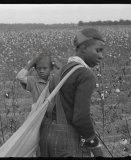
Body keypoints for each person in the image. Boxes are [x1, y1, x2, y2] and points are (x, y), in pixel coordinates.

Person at [39, 28, 105, 157]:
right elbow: (81, 118)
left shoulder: (62, 71)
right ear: (84, 48)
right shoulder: (85, 74)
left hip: (47, 138)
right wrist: (96, 147)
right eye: (98, 50)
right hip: (67, 144)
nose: (101, 56)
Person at [15, 53, 61, 157]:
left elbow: (68, 78)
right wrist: (32, 63)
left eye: (45, 68)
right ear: (35, 69)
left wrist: (59, 66)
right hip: (39, 118)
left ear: (51, 69)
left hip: (53, 117)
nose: (41, 71)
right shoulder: (33, 81)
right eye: (39, 68)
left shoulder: (54, 80)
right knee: (39, 143)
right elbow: (19, 77)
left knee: (52, 143)